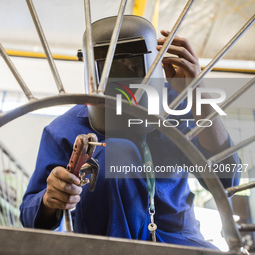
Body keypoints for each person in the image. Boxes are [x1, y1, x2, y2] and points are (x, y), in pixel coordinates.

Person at [19, 16, 240, 249]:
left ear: (154, 62)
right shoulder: (64, 130)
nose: (124, 77)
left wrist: (197, 93)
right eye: (111, 66)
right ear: (90, 72)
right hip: (103, 242)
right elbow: (31, 218)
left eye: (134, 66)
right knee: (116, 151)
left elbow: (226, 181)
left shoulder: (178, 107)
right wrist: (50, 198)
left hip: (177, 240)